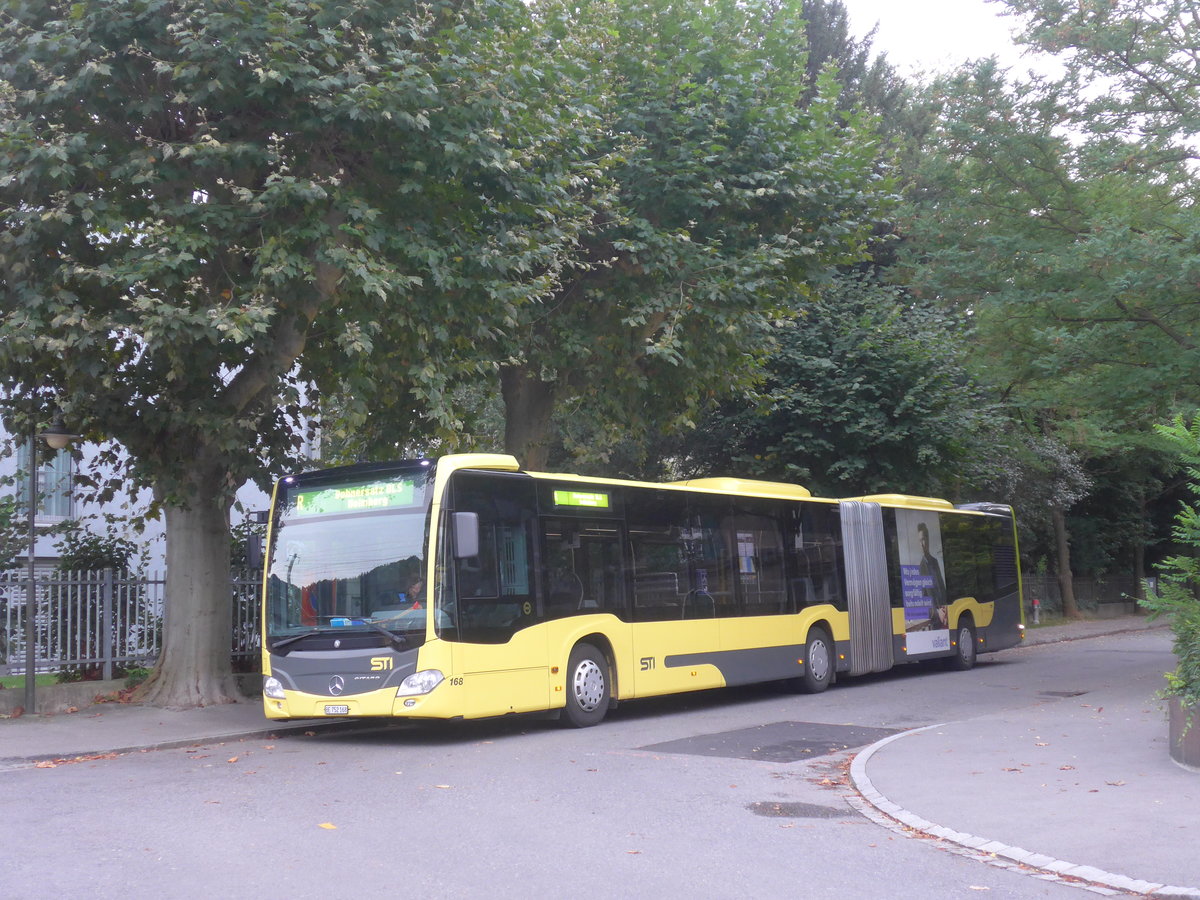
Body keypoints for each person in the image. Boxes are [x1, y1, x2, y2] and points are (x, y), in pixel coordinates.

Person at [918, 522, 948, 627]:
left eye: (923, 539)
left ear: (928, 540)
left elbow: (942, 588)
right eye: (920, 541)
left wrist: (946, 608)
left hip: (945, 613)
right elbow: (922, 600)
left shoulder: (934, 561)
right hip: (934, 619)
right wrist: (937, 612)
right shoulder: (920, 567)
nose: (922, 544)